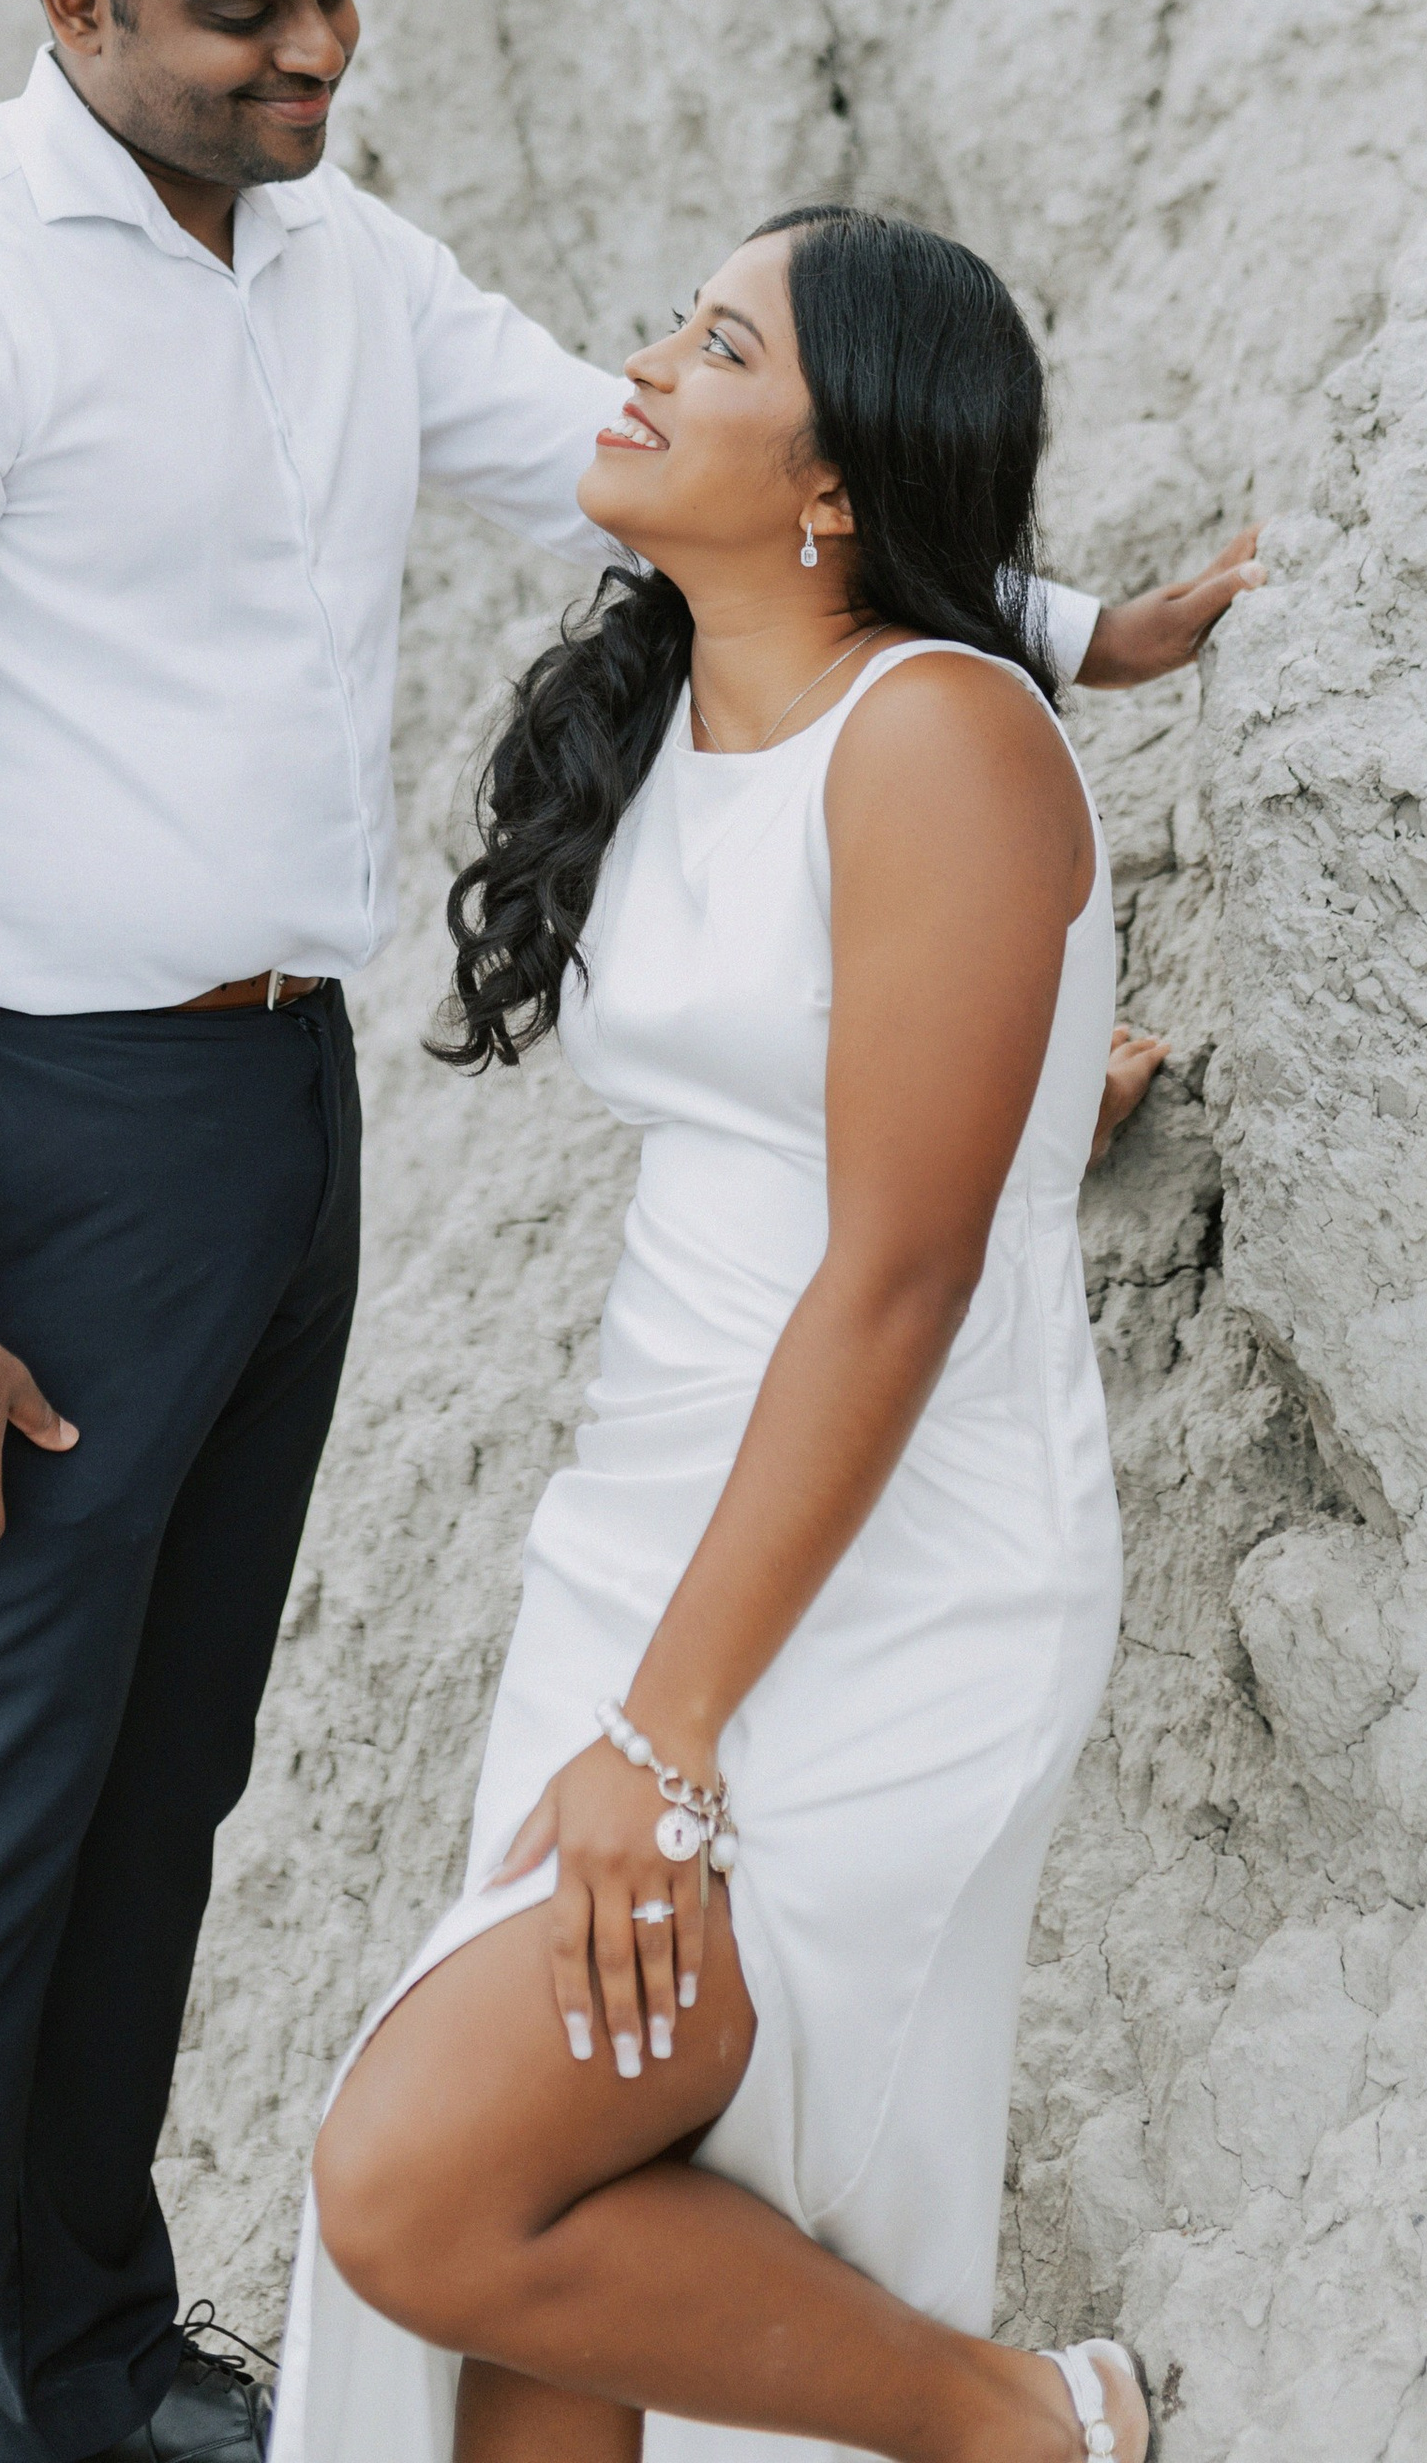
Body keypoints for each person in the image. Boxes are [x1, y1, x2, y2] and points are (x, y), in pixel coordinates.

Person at [0, 0, 1253, 2463]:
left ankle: (78, 2370)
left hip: (274, 1132)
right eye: (239, 14)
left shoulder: (335, 266)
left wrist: (1063, 620)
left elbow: (665, 469)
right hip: (44, 1135)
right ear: (72, 1)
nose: (312, 57)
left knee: (161, 1783)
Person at [280, 207, 1162, 2463]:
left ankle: (1005, 2426)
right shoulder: (680, 712)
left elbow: (894, 1273)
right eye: (668, 318)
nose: (647, 360)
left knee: (423, 2184)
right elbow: (843, 1080)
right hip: (640, 1541)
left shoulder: (939, 737)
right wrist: (1050, 1070)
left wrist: (662, 1744)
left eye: (718, 340)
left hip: (879, 1578)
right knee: (549, 2289)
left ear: (836, 479)